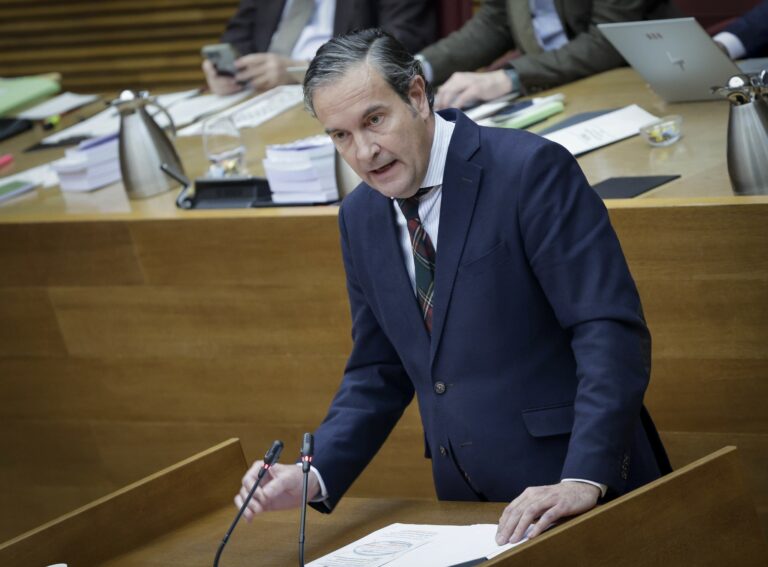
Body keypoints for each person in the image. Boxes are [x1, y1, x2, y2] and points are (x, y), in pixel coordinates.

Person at [235, 29, 671, 545]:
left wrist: (584, 476)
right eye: (341, 136)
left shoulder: (530, 171)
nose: (365, 152)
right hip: (469, 508)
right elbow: (379, 367)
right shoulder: (360, 215)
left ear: (417, 96)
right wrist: (316, 471)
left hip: (578, 491)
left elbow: (609, 331)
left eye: (374, 120)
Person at [417, 0, 681, 110]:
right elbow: (495, 23)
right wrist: (417, 68)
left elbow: (608, 40)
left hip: (640, 94)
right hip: (552, 93)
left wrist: (510, 78)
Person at [203, 0, 436, 95]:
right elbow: (237, 35)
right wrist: (223, 68)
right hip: (259, 97)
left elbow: (402, 40)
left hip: (342, 93)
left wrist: (300, 70)